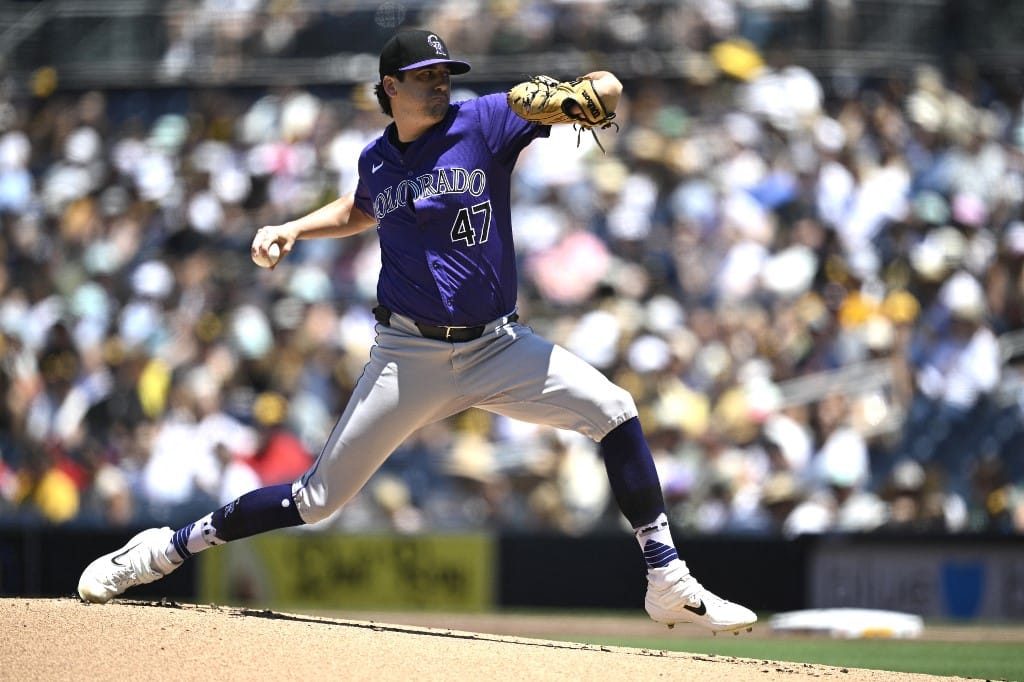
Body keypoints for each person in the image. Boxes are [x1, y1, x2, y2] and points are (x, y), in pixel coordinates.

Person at [77, 29, 756, 634]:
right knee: (315, 501)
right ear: (391, 87)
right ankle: (165, 549)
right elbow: (358, 207)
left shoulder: (488, 119)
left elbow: (607, 90)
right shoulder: (378, 159)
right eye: (427, 73)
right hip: (409, 354)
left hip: (498, 345)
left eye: (445, 72)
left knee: (614, 409)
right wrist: (292, 228)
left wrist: (586, 94)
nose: (441, 81)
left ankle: (667, 580)